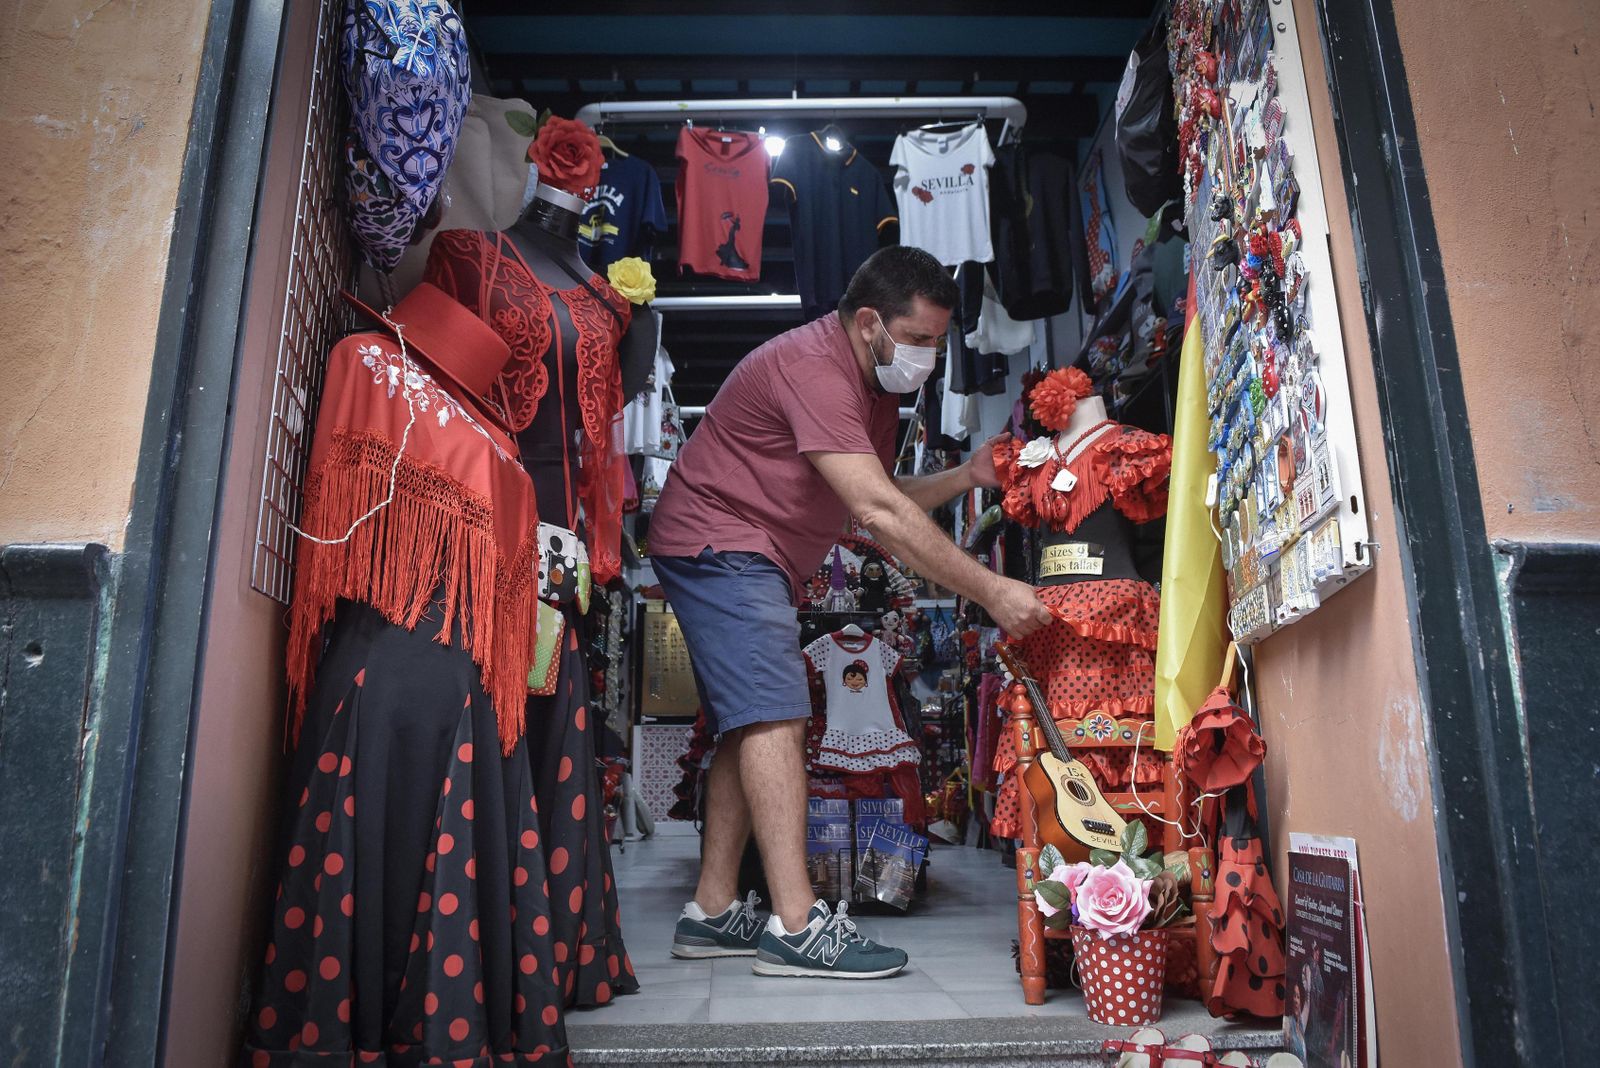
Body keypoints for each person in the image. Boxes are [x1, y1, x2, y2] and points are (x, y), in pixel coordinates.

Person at [649, 246, 1052, 979]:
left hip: (753, 551)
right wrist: (991, 591)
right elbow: (875, 509)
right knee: (776, 715)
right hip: (721, 541)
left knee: (751, 721)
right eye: (921, 340)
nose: (930, 357)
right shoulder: (815, 368)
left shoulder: (873, 386)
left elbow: (872, 495)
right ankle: (797, 926)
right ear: (870, 324)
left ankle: (710, 914)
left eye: (938, 341)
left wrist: (965, 475)